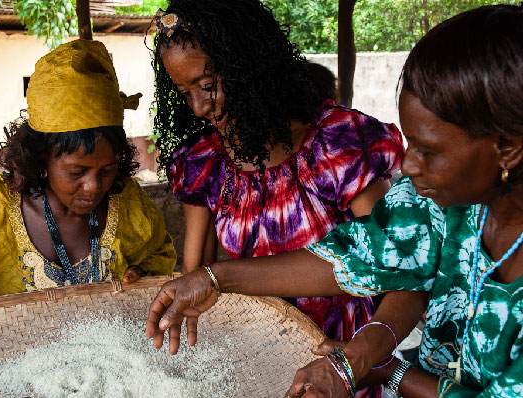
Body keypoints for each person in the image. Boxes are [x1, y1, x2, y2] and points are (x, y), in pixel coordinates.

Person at [146, 5, 523, 397]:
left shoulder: (336, 144)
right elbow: (371, 257)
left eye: (428, 151)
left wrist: (386, 371)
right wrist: (213, 278)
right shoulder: (439, 205)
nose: (407, 165)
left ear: (507, 149)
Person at [151, 4, 404, 396]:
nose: (200, 108)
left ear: (249, 67)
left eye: (208, 85)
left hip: (343, 360)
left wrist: (364, 360)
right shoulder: (206, 164)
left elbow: (392, 266)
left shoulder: (336, 144)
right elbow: (197, 280)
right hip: (263, 357)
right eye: (185, 93)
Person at [0, 39, 176, 315]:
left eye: (107, 169)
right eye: (76, 172)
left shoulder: (127, 203)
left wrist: (142, 272)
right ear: (40, 156)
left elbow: (159, 255)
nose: (93, 186)